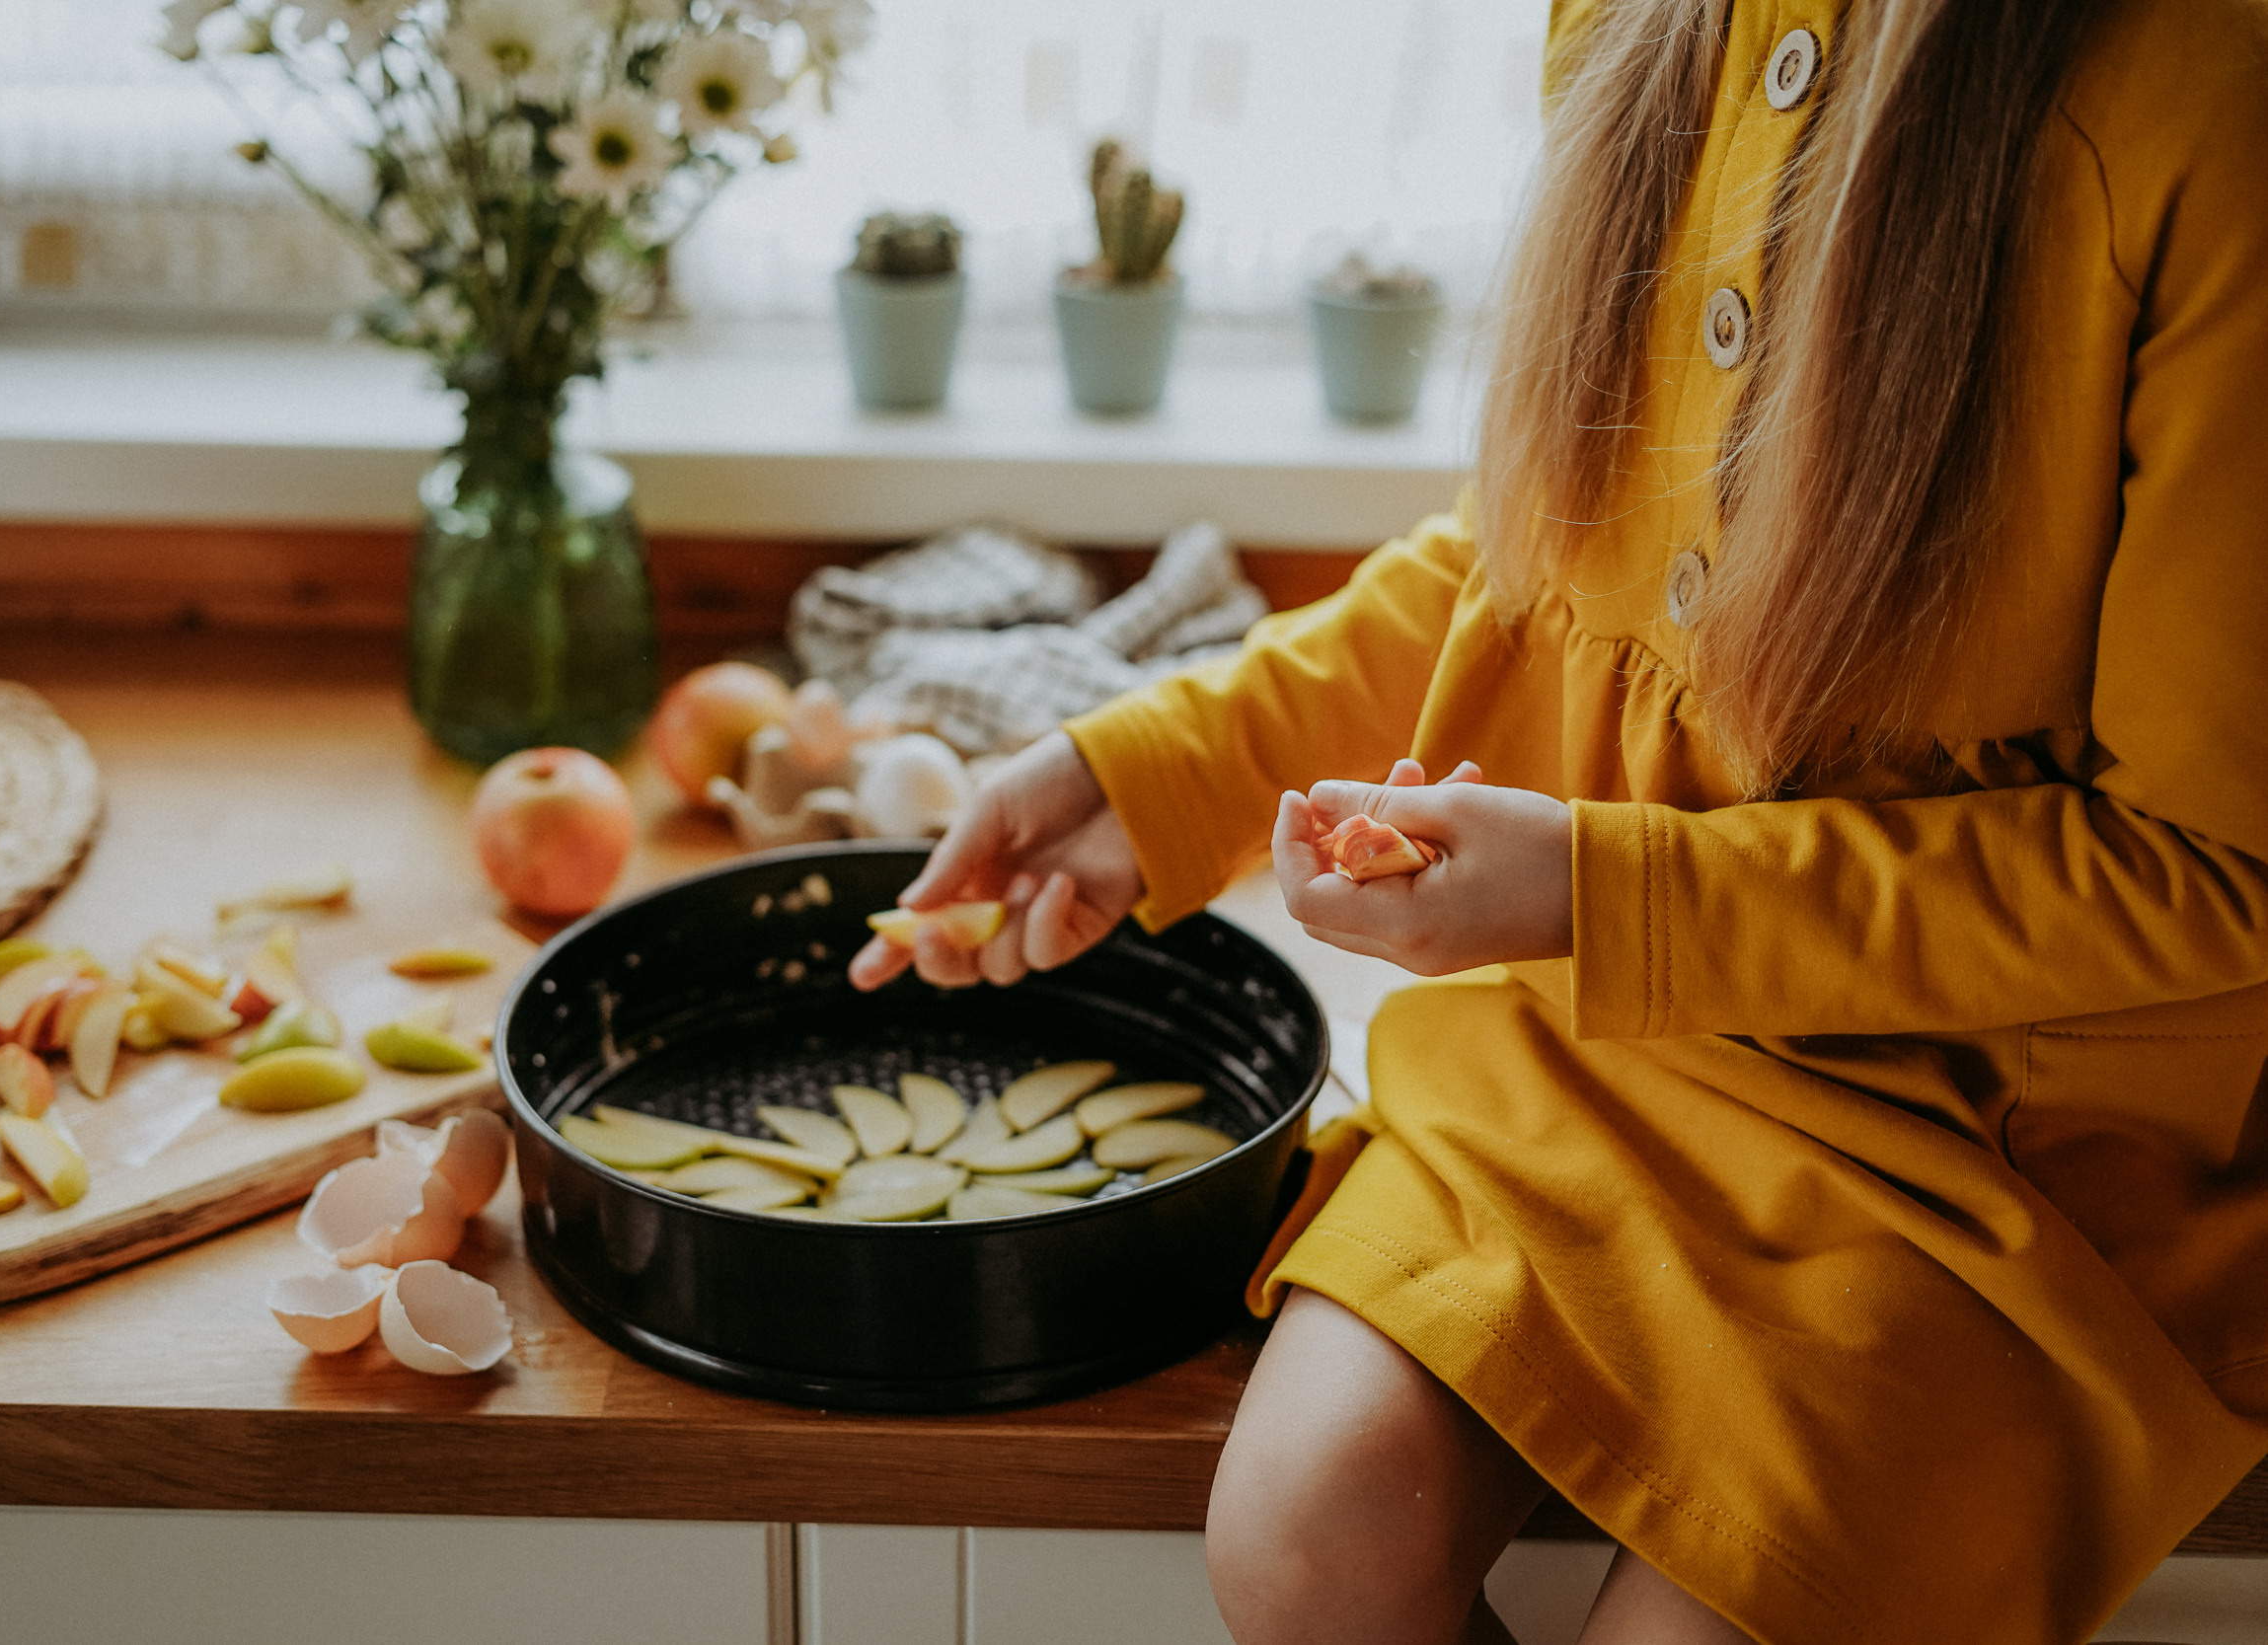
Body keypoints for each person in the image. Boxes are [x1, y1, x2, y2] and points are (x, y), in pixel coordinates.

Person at [853, 0, 2268, 1639]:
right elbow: (1541, 558)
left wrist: (1601, 895)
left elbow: (2214, 870)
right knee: (1306, 1546)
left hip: (2011, 1162)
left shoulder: (2209, 96)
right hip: (1597, 1051)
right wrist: (1167, 769)